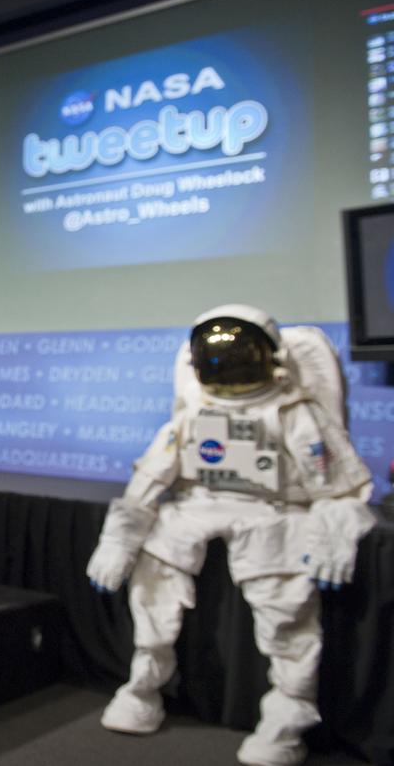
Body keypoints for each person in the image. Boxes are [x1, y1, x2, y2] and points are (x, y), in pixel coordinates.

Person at [86, 304, 375, 766]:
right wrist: (118, 539)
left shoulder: (294, 413)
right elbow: (148, 482)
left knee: (284, 604)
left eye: (242, 356)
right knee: (155, 567)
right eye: (216, 358)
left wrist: (336, 528)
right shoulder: (193, 413)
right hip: (200, 501)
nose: (228, 368)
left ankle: (286, 720)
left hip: (275, 511)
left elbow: (341, 488)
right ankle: (143, 688)